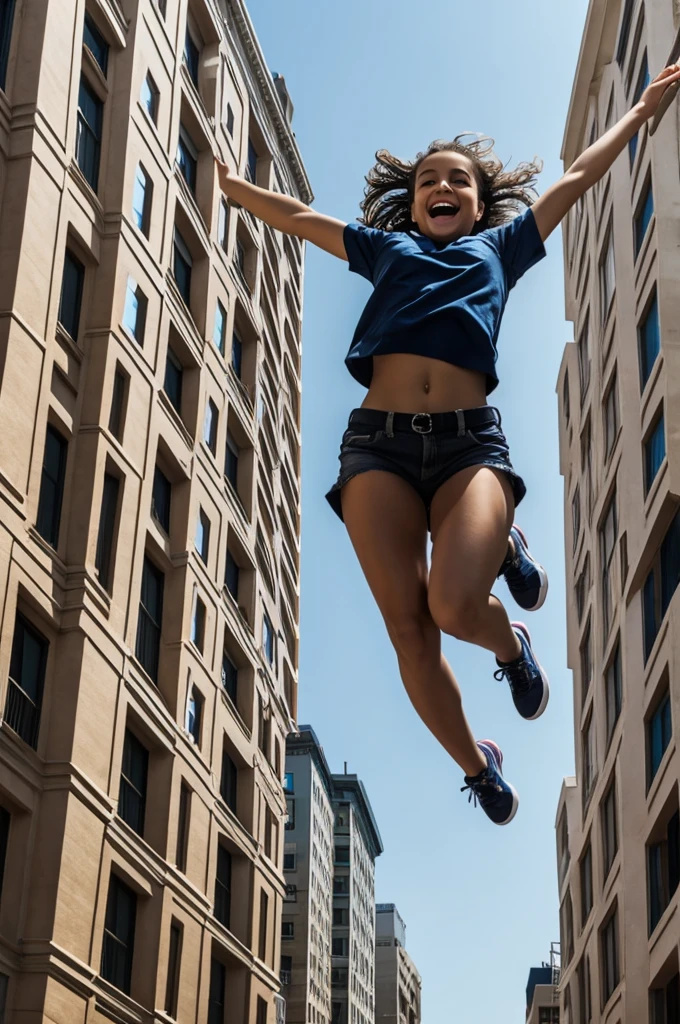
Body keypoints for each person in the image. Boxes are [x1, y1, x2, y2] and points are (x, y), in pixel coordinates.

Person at [216, 63, 680, 825]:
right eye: (429, 179)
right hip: (377, 449)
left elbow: (577, 178)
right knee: (410, 628)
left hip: (468, 449)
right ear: (411, 202)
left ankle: (509, 641)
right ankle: (480, 764)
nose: (442, 186)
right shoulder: (383, 249)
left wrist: (638, 113)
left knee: (457, 606)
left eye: (458, 180)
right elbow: (300, 218)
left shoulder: (502, 249)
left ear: (479, 201)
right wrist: (238, 190)